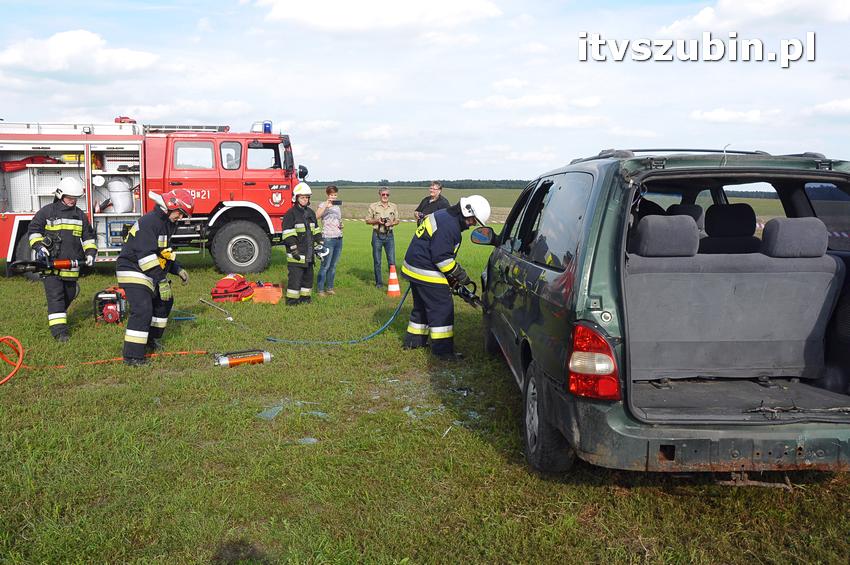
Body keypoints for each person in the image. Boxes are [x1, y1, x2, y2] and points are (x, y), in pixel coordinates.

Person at [401, 195, 491, 360]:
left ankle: (414, 341)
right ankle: (443, 352)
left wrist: (452, 278)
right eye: (473, 220)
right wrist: (460, 275)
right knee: (442, 308)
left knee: (421, 306)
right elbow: (442, 258)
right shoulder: (450, 226)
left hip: (414, 267)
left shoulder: (444, 215)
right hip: (426, 269)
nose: (472, 225)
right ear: (466, 212)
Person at [116, 189, 193, 366]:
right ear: (171, 206)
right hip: (132, 269)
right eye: (180, 213)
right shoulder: (151, 222)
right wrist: (162, 280)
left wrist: (177, 269)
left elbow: (162, 253)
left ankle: (151, 340)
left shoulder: (165, 223)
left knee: (165, 301)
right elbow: (146, 257)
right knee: (143, 309)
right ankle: (133, 357)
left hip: (148, 271)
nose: (180, 218)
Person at [27, 177, 97, 342]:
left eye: (75, 198)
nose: (73, 201)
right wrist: (39, 246)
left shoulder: (79, 215)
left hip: (71, 265)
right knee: (56, 296)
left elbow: (88, 238)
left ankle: (56, 314)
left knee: (70, 293)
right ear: (60, 194)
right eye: (69, 198)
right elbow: (33, 230)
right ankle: (60, 333)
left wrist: (91, 253)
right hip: (50, 264)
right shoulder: (47, 211)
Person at [281, 182, 325, 305]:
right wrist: (293, 248)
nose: (305, 200)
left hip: (309, 254)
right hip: (296, 254)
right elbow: (288, 233)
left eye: (307, 197)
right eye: (302, 197)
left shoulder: (311, 213)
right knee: (295, 279)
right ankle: (292, 301)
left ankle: (305, 299)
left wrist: (319, 241)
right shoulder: (291, 213)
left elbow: (315, 229)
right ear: (296, 198)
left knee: (308, 279)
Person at [366, 186, 399, 288]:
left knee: (392, 261)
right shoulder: (373, 206)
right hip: (377, 235)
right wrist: (377, 221)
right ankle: (379, 283)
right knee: (377, 261)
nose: (385, 196)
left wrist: (391, 223)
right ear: (379, 195)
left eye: (387, 194)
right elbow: (367, 220)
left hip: (389, 235)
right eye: (383, 194)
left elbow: (397, 220)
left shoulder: (393, 206)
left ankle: (392, 282)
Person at [316, 185, 343, 296]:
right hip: (328, 238)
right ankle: (320, 289)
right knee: (325, 265)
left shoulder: (337, 207)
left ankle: (330, 288)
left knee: (333, 265)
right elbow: (316, 216)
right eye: (331, 195)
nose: (333, 197)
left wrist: (341, 225)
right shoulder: (323, 205)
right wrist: (326, 207)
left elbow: (338, 220)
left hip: (338, 237)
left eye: (335, 195)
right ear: (327, 195)